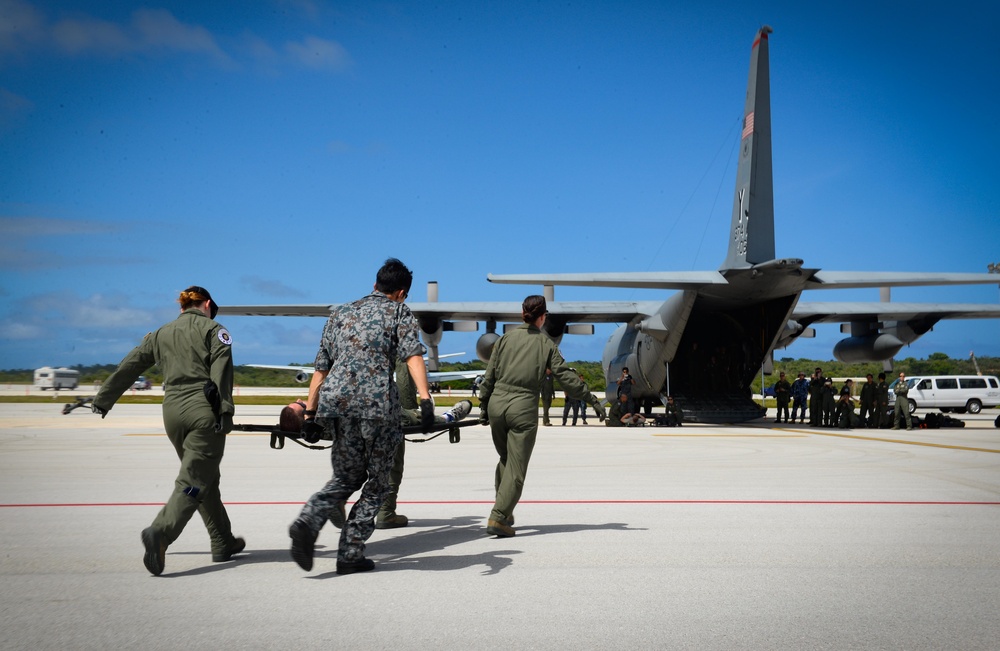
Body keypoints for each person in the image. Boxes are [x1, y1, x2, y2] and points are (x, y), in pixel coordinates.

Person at [289, 258, 434, 575]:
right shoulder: (398, 312)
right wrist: (424, 399)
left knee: (346, 477)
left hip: (337, 405)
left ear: (374, 285)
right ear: (401, 293)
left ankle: (309, 519)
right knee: (377, 484)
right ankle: (350, 553)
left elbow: (320, 369)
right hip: (377, 407)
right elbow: (412, 356)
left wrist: (311, 414)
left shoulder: (339, 312)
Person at [91, 285, 243, 576]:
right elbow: (221, 373)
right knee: (195, 479)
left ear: (182, 307)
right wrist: (225, 412)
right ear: (207, 304)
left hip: (172, 412)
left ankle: (222, 541)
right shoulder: (215, 331)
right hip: (203, 411)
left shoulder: (160, 334)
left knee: (205, 477)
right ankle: (161, 532)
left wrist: (103, 399)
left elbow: (130, 365)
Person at [477, 295, 606, 537]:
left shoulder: (504, 339)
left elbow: (489, 375)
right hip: (522, 406)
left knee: (506, 459)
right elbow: (567, 377)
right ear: (543, 317)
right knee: (517, 466)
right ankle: (498, 517)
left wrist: (483, 405)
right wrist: (592, 399)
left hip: (497, 405)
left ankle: (504, 507)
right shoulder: (546, 345)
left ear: (522, 313)